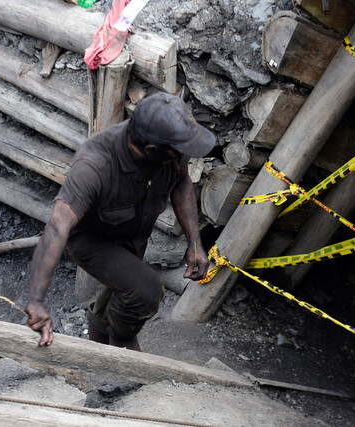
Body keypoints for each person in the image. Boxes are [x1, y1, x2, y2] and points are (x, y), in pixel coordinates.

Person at [25, 92, 215, 350]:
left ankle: (102, 344)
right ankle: (122, 341)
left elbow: (181, 181)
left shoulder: (169, 144)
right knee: (145, 291)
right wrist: (36, 301)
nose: (184, 155)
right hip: (92, 240)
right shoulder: (95, 165)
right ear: (151, 150)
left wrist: (195, 244)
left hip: (135, 231)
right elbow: (58, 226)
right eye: (179, 152)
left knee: (125, 288)